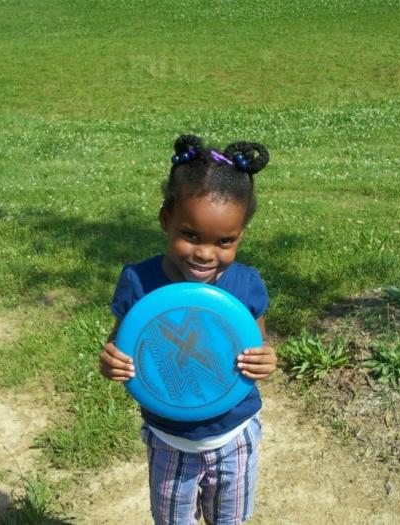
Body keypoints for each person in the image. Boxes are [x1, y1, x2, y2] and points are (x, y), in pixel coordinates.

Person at [99, 134, 277, 525]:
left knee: (228, 520)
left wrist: (266, 359)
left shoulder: (246, 284)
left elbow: (258, 345)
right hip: (168, 440)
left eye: (225, 241)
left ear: (241, 234)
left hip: (235, 436)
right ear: (166, 219)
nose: (205, 253)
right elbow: (120, 346)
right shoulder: (139, 281)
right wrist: (110, 362)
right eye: (190, 235)